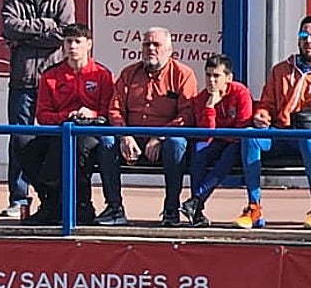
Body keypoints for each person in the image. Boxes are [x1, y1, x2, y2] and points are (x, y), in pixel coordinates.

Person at [0, 0, 75, 217]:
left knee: (54, 139)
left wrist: (25, 36)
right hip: (21, 81)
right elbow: (9, 29)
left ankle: (51, 196)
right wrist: (45, 25)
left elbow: (63, 35)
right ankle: (19, 198)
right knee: (19, 138)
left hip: (53, 82)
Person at [14, 23, 113, 226]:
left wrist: (91, 114)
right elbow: (42, 115)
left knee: (77, 145)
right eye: (68, 42)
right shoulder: (51, 75)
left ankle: (81, 205)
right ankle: (50, 201)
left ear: (89, 44)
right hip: (58, 131)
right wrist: (68, 117)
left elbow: (108, 113)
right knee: (21, 140)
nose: (72, 46)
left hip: (89, 132)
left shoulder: (102, 74)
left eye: (78, 42)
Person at [103, 27, 198, 226]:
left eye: (156, 45)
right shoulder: (129, 73)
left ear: (170, 50)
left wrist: (160, 136)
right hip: (131, 137)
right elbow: (115, 109)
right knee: (106, 142)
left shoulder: (183, 74)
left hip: (164, 140)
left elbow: (187, 115)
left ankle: (171, 209)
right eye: (146, 45)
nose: (151, 49)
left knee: (177, 143)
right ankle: (114, 208)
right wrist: (124, 136)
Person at [236, 17, 311, 229]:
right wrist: (262, 115)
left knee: (308, 138)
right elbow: (267, 104)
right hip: (281, 134)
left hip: (307, 138)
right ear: (298, 40)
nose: (308, 41)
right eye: (304, 36)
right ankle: (253, 207)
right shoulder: (281, 70)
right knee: (251, 136)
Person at [179, 54, 253, 227]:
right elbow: (206, 133)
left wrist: (223, 135)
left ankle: (196, 202)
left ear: (228, 78)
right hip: (217, 140)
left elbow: (242, 129)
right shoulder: (202, 99)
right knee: (199, 150)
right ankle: (197, 210)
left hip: (235, 142)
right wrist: (210, 107)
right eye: (208, 75)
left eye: (216, 76)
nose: (211, 80)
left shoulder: (240, 93)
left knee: (230, 154)